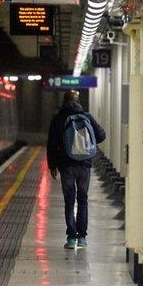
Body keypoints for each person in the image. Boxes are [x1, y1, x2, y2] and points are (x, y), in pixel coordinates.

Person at [46, 90, 106, 249]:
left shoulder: (59, 118)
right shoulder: (86, 116)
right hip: (84, 165)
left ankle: (71, 238)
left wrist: (52, 165)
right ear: (78, 101)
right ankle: (83, 238)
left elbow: (52, 143)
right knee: (83, 200)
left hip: (66, 165)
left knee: (69, 201)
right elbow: (102, 135)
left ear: (63, 101)